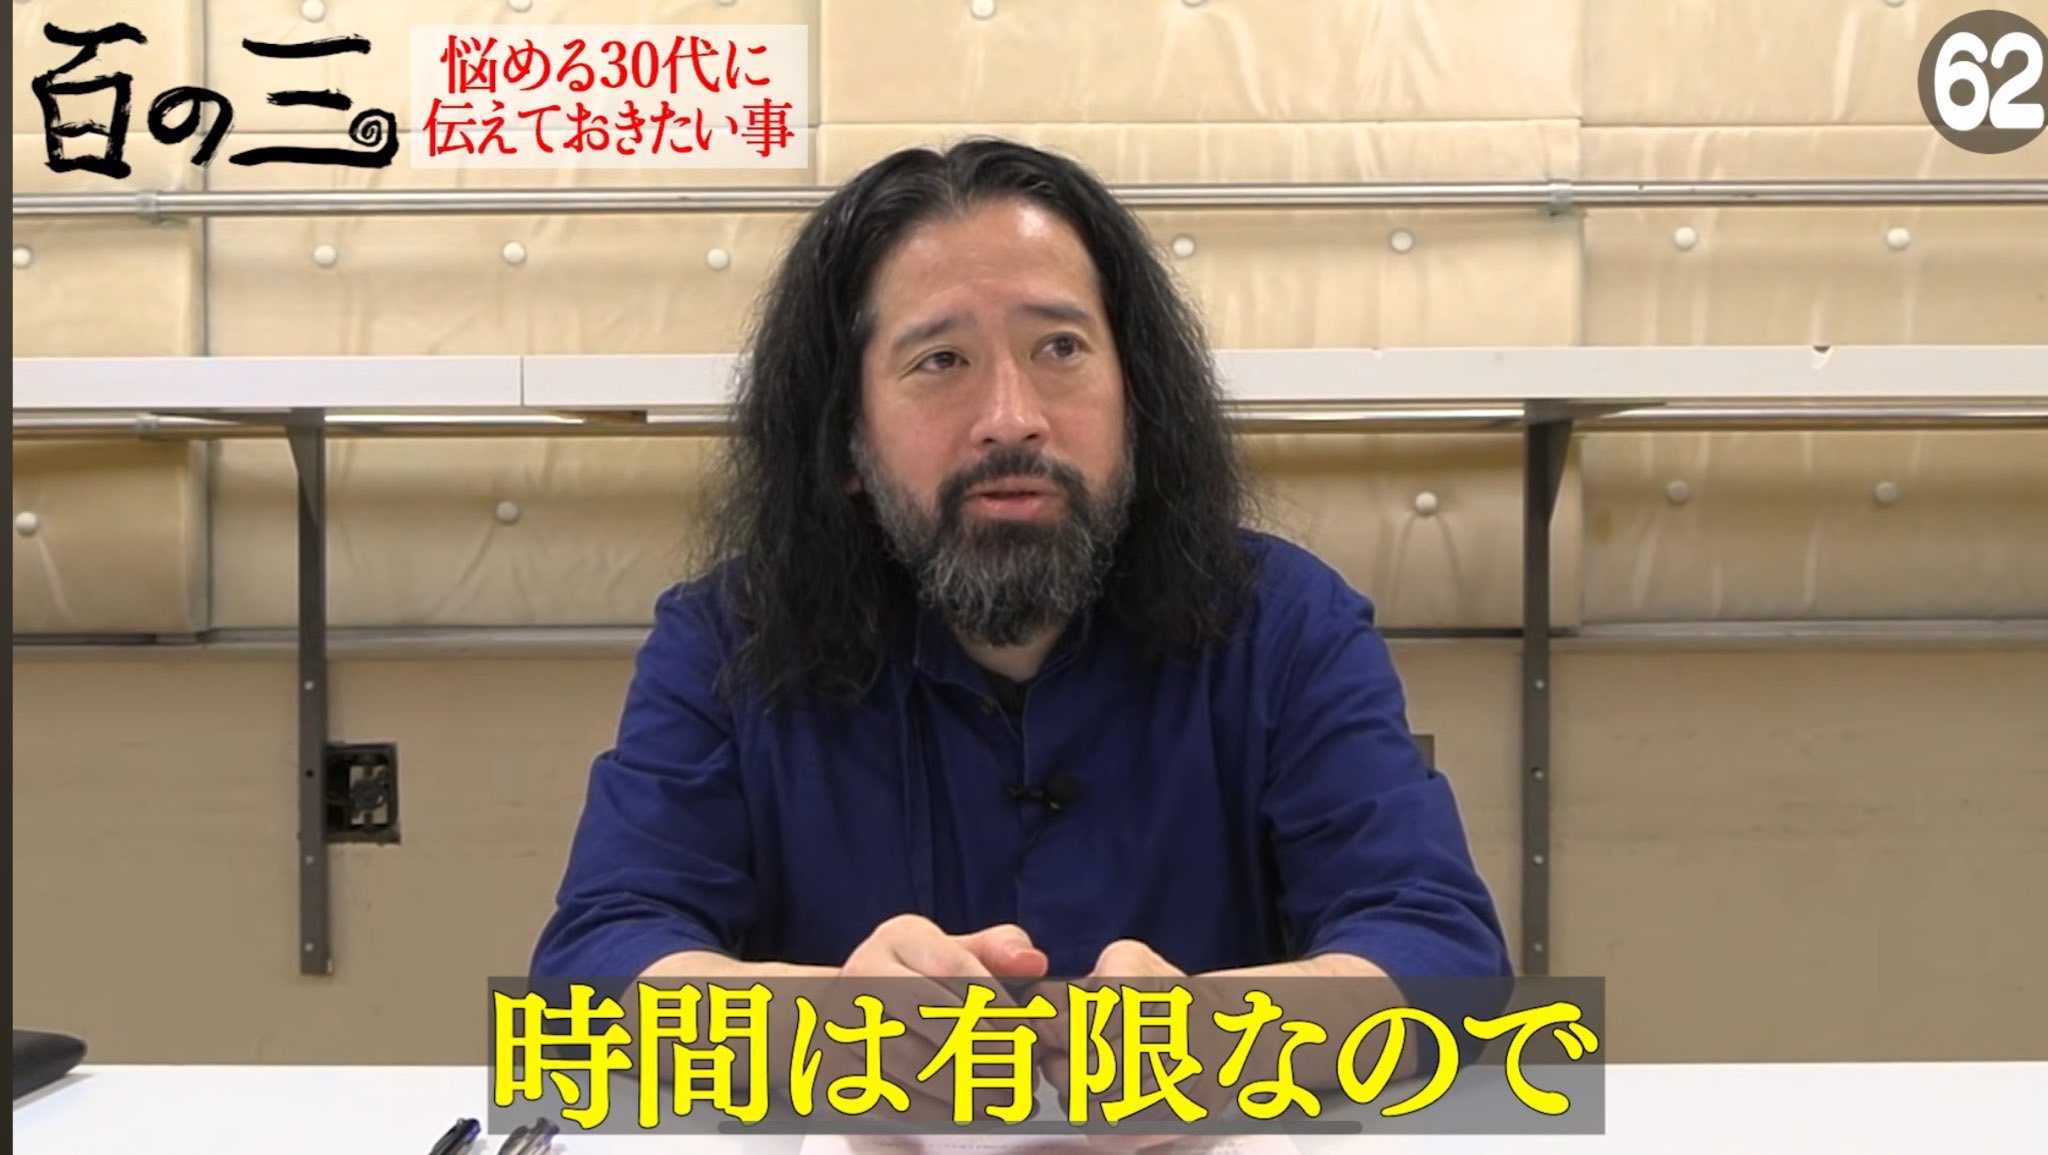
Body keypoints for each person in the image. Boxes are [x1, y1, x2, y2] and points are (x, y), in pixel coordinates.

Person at [529, 137, 1512, 1093]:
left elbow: (1444, 956)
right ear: (845, 438)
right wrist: (822, 1024)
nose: (1011, 416)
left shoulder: (1284, 623)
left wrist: (1224, 1037)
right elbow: (593, 970)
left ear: (1138, 401)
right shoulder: (727, 638)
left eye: (1060, 348)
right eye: (940, 360)